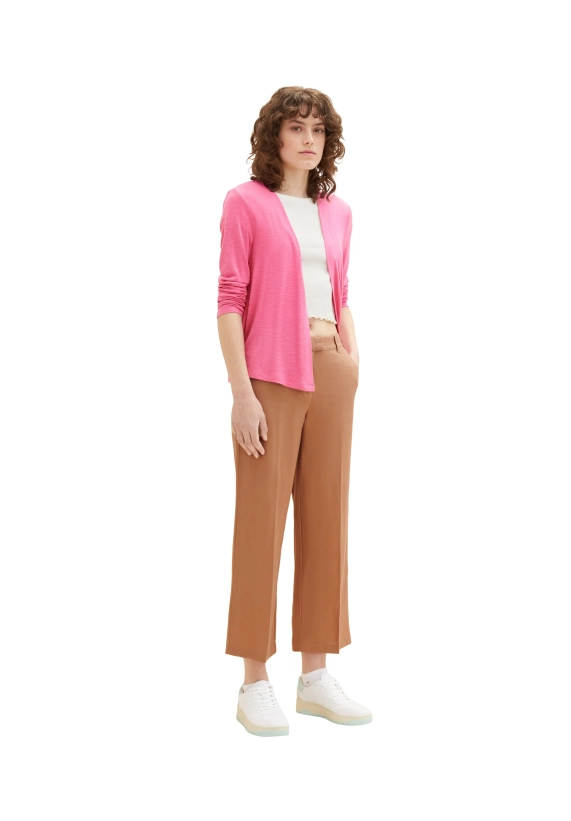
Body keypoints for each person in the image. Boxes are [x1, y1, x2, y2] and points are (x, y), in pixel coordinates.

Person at [216, 87, 372, 737]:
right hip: (270, 373)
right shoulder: (245, 203)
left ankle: (315, 675)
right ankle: (254, 681)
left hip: (331, 368)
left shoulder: (338, 213)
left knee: (326, 518)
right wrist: (241, 393)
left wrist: (352, 360)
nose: (308, 139)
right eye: (296, 128)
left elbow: (340, 291)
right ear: (274, 137)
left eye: (317, 130)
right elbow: (229, 298)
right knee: (261, 522)